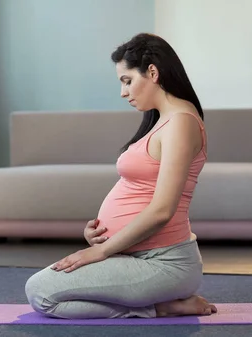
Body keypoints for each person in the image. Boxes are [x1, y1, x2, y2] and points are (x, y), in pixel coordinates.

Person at [24, 32, 217, 319]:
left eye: (127, 81)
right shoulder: (161, 122)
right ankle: (157, 304)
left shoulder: (181, 124)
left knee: (40, 292)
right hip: (133, 256)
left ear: (152, 72)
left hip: (163, 263)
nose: (123, 92)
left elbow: (162, 211)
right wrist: (101, 235)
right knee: (43, 290)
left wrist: (100, 253)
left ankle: (157, 308)